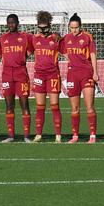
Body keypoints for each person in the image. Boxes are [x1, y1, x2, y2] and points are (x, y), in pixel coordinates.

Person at [60, 13, 99, 143]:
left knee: (89, 106)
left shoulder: (87, 37)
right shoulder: (66, 38)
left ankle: (92, 135)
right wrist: (70, 59)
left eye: (76, 27)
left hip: (86, 74)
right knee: (74, 108)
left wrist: (95, 72)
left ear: (80, 26)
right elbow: (61, 49)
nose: (74, 30)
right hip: (72, 75)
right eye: (72, 28)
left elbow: (93, 54)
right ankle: (75, 136)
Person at [0, 14, 35, 143]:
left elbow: (33, 46)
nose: (11, 25)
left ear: (18, 23)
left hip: (21, 74)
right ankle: (11, 135)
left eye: (13, 22)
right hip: (7, 75)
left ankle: (26, 136)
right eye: (9, 23)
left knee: (24, 104)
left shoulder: (25, 37)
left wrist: (22, 58)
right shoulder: (2, 38)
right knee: (9, 105)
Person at [32, 10, 63, 143]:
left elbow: (67, 52)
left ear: (50, 25)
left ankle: (58, 135)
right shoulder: (34, 39)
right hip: (39, 75)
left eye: (45, 28)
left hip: (53, 75)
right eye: (40, 28)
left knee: (54, 105)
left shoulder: (55, 38)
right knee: (40, 106)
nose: (43, 31)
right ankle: (38, 134)